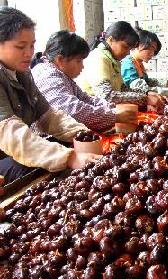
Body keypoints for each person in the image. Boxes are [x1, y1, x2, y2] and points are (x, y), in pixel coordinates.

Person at [0, 7, 100, 184]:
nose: (29, 53)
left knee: (65, 149)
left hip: (13, 153)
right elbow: (11, 134)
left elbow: (48, 116)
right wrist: (69, 158)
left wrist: (82, 134)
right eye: (20, 46)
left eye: (32, 45)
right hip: (4, 158)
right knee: (34, 168)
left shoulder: (22, 73)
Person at [31, 30, 137, 132]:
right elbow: (72, 111)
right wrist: (114, 115)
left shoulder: (61, 74)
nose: (82, 66)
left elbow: (85, 99)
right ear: (60, 60)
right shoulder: (47, 74)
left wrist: (112, 108)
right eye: (78, 61)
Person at [76, 21, 162, 111]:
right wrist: (145, 98)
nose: (127, 52)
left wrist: (147, 94)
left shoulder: (114, 60)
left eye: (129, 49)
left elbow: (122, 89)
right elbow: (107, 96)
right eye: (125, 47)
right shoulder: (100, 58)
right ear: (110, 40)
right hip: (92, 112)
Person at [121, 28, 168, 96]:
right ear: (138, 45)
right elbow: (141, 89)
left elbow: (147, 82)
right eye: (150, 48)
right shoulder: (128, 64)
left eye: (154, 51)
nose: (152, 54)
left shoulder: (138, 63)